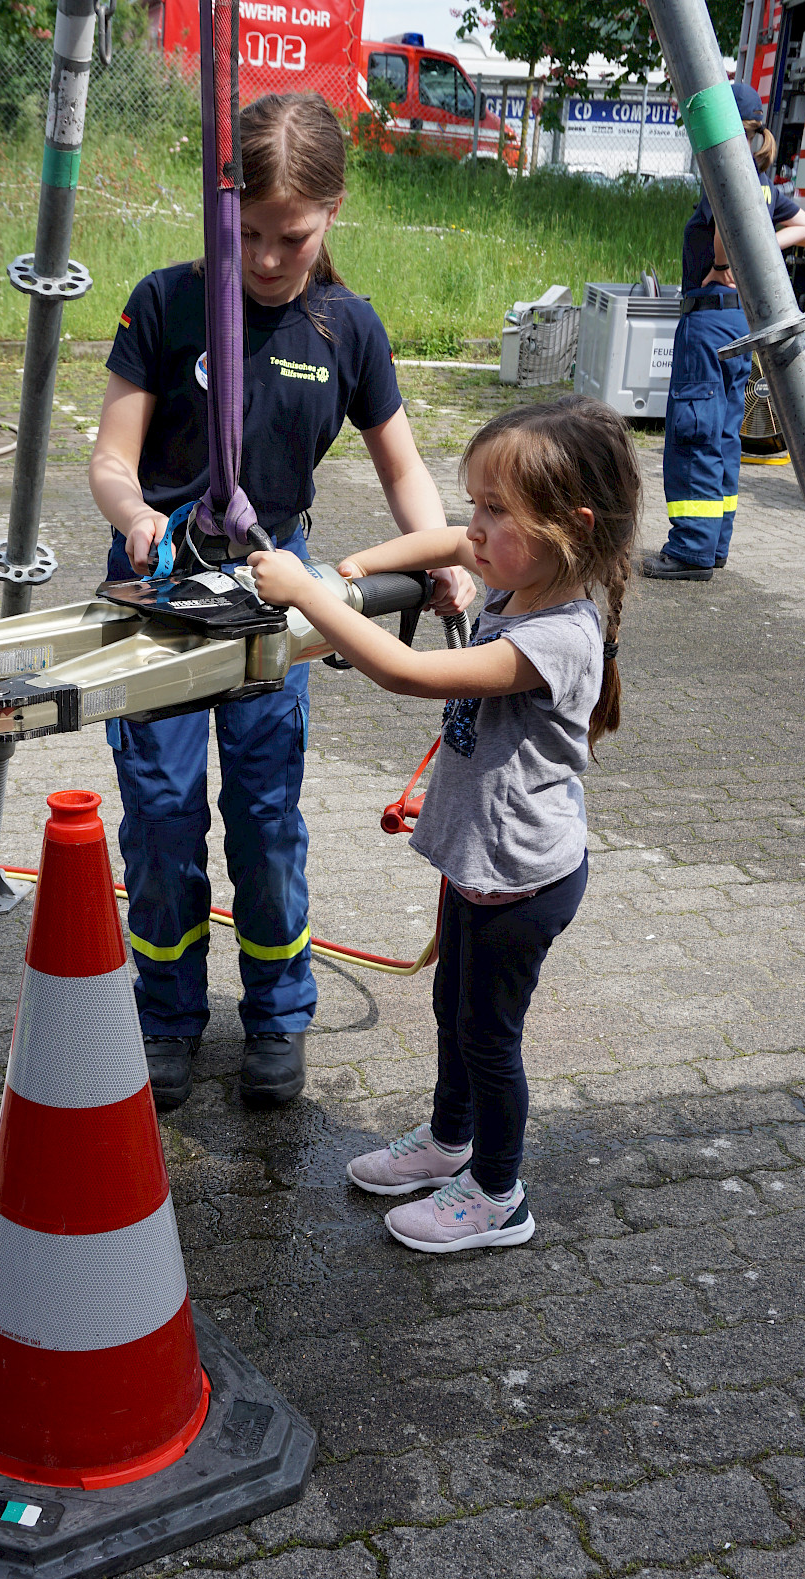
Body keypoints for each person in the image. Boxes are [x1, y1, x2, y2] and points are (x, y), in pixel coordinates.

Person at [89, 90, 473, 1110]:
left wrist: (445, 558)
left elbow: (405, 473)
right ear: (220, 213)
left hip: (277, 594)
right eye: (247, 233)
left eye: (289, 236)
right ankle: (166, 1015)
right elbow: (111, 462)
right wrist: (133, 515)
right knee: (163, 817)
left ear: (333, 213)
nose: (264, 258)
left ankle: (277, 1015)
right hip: (160, 591)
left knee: (265, 817)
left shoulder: (346, 327)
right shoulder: (165, 303)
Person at [247, 396, 640, 1254]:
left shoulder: (561, 633)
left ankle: (499, 1194)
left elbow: (408, 673)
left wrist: (313, 594)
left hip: (523, 879)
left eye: (495, 510)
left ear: (571, 526)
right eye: (477, 503)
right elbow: (443, 546)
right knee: (448, 1005)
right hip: (480, 861)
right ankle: (447, 1142)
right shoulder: (524, 570)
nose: (476, 528)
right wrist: (355, 568)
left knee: (490, 1038)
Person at [642, 82, 805, 580]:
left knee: (695, 432)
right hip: (740, 320)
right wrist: (758, 253)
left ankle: (690, 550)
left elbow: (722, 227)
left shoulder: (725, 173)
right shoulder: (762, 181)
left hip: (710, 317)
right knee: (722, 434)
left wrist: (724, 261)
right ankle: (713, 544)